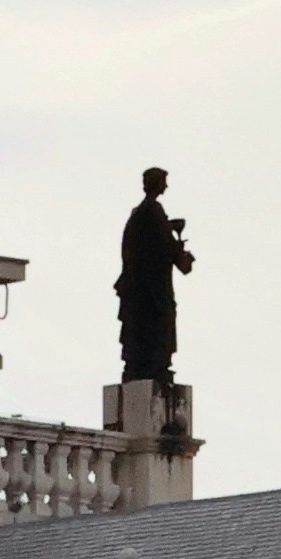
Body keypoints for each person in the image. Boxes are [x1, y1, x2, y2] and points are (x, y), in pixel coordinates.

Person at [116, 164, 191, 392]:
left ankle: (145, 365)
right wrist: (180, 251)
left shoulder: (138, 214)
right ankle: (155, 366)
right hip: (152, 289)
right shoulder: (153, 212)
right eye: (163, 182)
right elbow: (164, 246)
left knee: (146, 328)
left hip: (141, 287)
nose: (166, 186)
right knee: (159, 324)